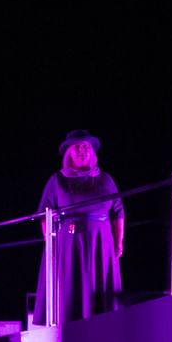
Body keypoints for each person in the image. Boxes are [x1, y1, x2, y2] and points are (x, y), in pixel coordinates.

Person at [37, 131, 125, 322]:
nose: (82, 151)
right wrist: (50, 244)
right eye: (77, 147)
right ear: (69, 153)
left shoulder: (105, 179)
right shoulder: (57, 180)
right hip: (68, 245)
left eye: (86, 147)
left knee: (100, 294)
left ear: (92, 152)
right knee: (70, 292)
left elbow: (118, 212)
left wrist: (119, 242)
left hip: (100, 243)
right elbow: (45, 215)